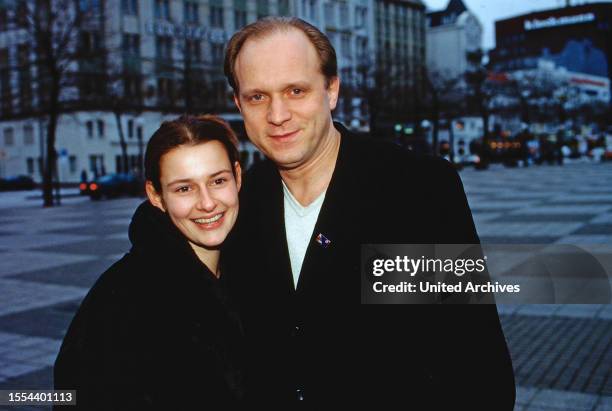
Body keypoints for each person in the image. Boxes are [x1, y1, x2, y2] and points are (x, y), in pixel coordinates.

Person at [224, 17, 516, 407]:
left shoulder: (415, 190)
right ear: (238, 104)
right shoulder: (239, 202)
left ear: (331, 90)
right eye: (258, 96)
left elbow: (477, 367)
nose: (278, 114)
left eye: (296, 90)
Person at [54, 115, 245, 409]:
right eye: (184, 188)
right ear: (156, 196)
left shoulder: (254, 270)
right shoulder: (123, 299)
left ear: (238, 177)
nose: (207, 203)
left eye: (218, 181)